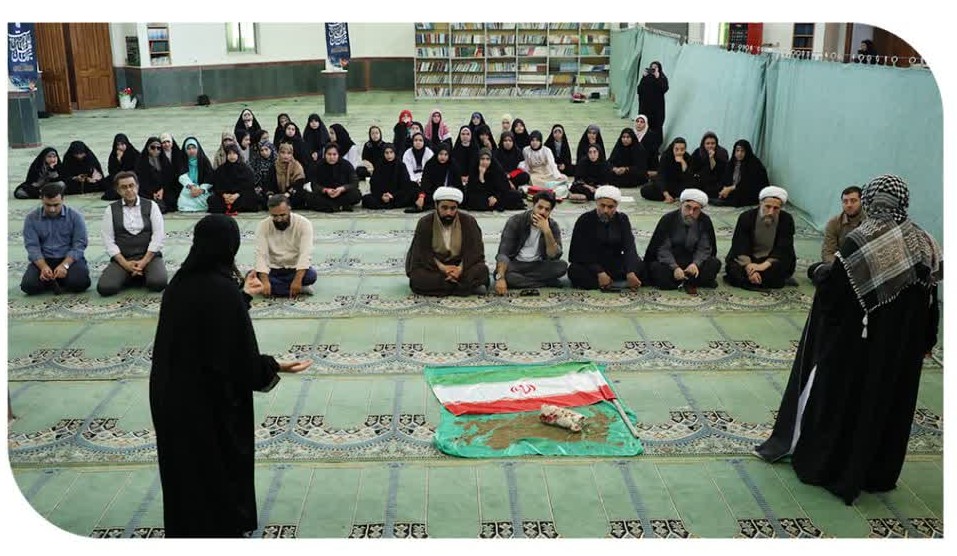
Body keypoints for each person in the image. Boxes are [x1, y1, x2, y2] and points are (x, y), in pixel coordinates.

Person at [753, 175, 941, 506]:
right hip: (903, 348)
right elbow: (931, 299)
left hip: (859, 347)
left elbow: (835, 296)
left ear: (869, 200)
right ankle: (877, 473)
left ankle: (834, 469)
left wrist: (819, 275)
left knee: (852, 401)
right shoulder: (925, 242)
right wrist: (927, 340)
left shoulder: (861, 241)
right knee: (888, 403)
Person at [150, 214, 311, 538]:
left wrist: (243, 296)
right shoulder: (222, 291)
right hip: (208, 403)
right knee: (218, 467)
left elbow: (208, 328)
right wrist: (274, 366)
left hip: (170, 397)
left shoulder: (179, 284)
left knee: (184, 470)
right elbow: (240, 361)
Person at [405, 186, 489, 297]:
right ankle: (465, 287)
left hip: (461, 266)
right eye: (444, 208)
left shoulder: (468, 222)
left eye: (453, 208)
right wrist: (444, 268)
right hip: (434, 267)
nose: (448, 212)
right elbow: (422, 254)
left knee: (482, 270)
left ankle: (448, 287)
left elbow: (476, 251)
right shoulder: (425, 222)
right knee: (417, 277)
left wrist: (459, 269)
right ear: (436, 206)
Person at [97, 171, 168, 296]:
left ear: (137, 186)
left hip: (149, 257)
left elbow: (158, 236)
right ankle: (133, 274)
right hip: (123, 258)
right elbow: (108, 241)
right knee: (106, 288)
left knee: (158, 283)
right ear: (118, 190)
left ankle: (136, 274)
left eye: (131, 186)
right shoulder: (111, 210)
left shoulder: (151, 206)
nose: (129, 190)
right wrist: (125, 264)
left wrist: (143, 262)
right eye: (124, 187)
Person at [644, 188, 721, 293]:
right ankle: (690, 281)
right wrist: (675, 267)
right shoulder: (668, 219)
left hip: (693, 262)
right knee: (656, 269)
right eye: (688, 207)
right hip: (670, 262)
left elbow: (704, 248)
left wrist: (695, 264)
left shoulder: (704, 221)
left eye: (696, 209)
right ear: (681, 205)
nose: (691, 212)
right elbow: (663, 248)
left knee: (714, 264)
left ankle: (683, 280)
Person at [567, 185, 643, 291]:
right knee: (574, 270)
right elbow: (576, 254)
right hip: (591, 264)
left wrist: (630, 272)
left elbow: (629, 247)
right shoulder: (585, 220)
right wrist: (599, 272)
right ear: (596, 203)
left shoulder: (622, 219)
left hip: (614, 263)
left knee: (640, 264)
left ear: (616, 207)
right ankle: (615, 283)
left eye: (610, 207)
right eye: (602, 206)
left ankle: (609, 283)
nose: (605, 210)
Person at [20, 183, 91, 295]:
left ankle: (55, 279)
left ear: (63, 200)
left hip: (69, 259)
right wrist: (43, 267)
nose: (52, 209)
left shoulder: (75, 216)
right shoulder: (31, 218)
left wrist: (64, 265)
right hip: (44, 259)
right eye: (48, 205)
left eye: (56, 205)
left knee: (80, 283)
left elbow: (79, 244)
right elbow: (32, 247)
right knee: (28, 286)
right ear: (41, 200)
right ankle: (54, 278)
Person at [493, 191, 568, 294]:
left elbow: (554, 256)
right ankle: (545, 282)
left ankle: (524, 281)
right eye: (540, 207)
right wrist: (500, 278)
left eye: (547, 209)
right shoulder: (516, 221)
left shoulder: (552, 226)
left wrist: (547, 231)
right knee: (502, 273)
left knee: (562, 267)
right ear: (533, 206)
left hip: (538, 265)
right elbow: (503, 253)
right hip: (516, 264)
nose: (542, 212)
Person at [724, 186, 796, 290]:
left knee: (779, 271)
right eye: (768, 206)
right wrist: (749, 267)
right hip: (748, 258)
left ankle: (751, 280)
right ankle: (756, 279)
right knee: (734, 270)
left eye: (776, 208)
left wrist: (762, 266)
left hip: (770, 261)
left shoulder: (786, 219)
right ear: (760, 203)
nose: (771, 212)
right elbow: (740, 244)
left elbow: (783, 247)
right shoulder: (746, 217)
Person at [253, 195, 318, 298]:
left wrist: (297, 280)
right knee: (252, 276)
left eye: (282, 215)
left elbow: (305, 254)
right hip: (273, 269)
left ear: (289, 210)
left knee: (311, 276)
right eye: (275, 216)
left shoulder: (304, 224)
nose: (279, 219)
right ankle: (300, 289)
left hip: (294, 268)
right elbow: (261, 255)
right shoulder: (263, 225)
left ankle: (278, 289)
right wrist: (265, 282)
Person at [304, 143, 361, 212]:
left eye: (334, 154)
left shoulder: (346, 165)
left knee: (356, 194)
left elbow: (354, 183)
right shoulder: (318, 165)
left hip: (341, 194)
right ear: (325, 154)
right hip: (325, 195)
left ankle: (332, 206)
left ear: (338, 155)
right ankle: (340, 206)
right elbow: (314, 184)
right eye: (329, 154)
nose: (331, 157)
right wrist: (325, 190)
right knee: (309, 197)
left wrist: (342, 189)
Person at [404, 144, 460, 214]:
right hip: (433, 193)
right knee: (415, 192)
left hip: (448, 192)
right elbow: (425, 182)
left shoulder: (453, 165)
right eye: (441, 154)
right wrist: (421, 196)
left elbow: (457, 184)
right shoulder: (430, 164)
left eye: (446, 155)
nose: (443, 157)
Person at [712, 139, 769, 207]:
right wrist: (724, 189)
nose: (739, 153)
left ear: (747, 152)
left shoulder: (754, 164)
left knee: (738, 196)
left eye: (742, 151)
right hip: (734, 189)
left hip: (751, 192)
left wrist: (730, 189)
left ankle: (725, 201)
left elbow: (749, 184)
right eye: (737, 150)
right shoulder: (732, 163)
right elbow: (726, 179)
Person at [209, 144, 260, 215]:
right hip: (225, 196)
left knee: (252, 198)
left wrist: (237, 195)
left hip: (239, 195)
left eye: (234, 153)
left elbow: (249, 185)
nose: (232, 156)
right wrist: (224, 195)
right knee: (213, 200)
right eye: (229, 153)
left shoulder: (245, 169)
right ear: (226, 155)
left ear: (238, 155)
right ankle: (232, 207)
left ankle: (231, 207)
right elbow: (217, 185)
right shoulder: (221, 169)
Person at [361, 143, 414, 210]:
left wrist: (392, 195)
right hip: (381, 196)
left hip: (396, 196)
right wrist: (381, 195)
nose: (389, 155)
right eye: (387, 153)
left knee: (410, 194)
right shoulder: (379, 165)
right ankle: (388, 204)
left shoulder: (401, 165)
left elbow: (405, 184)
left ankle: (386, 204)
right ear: (383, 154)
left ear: (394, 153)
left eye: (391, 152)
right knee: (366, 199)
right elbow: (374, 184)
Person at [641, 137, 693, 203]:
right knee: (645, 190)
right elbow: (661, 176)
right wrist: (666, 195)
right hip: (666, 185)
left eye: (682, 149)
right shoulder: (666, 156)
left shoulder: (687, 157)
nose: (679, 152)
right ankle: (672, 197)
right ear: (673, 148)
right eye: (676, 149)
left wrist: (683, 163)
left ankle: (676, 197)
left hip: (679, 185)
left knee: (692, 188)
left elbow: (688, 177)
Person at [820, 186, 864, 264]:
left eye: (853, 201)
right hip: (841, 264)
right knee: (815, 268)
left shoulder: (870, 221)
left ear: (862, 201)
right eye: (845, 201)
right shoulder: (834, 223)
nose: (849, 205)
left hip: (865, 264)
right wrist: (840, 267)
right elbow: (828, 253)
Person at [134, 137, 177, 213]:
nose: (156, 150)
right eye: (153, 147)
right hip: (147, 190)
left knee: (171, 200)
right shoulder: (141, 161)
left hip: (162, 190)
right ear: (148, 148)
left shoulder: (164, 161)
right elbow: (141, 180)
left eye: (158, 148)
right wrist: (152, 193)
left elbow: (170, 178)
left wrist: (162, 190)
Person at [175, 137, 215, 213]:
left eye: (194, 148)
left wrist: (201, 190)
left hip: (202, 189)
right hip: (188, 188)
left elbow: (209, 177)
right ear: (185, 150)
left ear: (198, 148)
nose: (191, 151)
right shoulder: (182, 161)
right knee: (184, 199)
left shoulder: (204, 161)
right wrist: (192, 187)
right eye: (189, 148)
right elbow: (182, 176)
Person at [690, 132, 729, 198]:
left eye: (713, 143)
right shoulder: (698, 152)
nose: (710, 146)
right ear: (703, 144)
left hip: (716, 182)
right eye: (707, 143)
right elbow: (693, 168)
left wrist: (711, 158)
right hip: (700, 181)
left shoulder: (722, 153)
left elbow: (718, 171)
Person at [102, 134, 140, 200]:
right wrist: (118, 160)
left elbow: (137, 170)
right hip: (118, 178)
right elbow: (111, 170)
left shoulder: (135, 154)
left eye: (122, 144)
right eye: (118, 145)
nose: (120, 147)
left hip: (132, 178)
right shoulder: (114, 155)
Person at [636, 60, 669, 131]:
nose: (653, 69)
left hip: (657, 108)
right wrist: (643, 77)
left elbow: (664, 89)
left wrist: (658, 78)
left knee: (657, 125)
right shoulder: (646, 78)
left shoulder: (662, 77)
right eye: (652, 67)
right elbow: (639, 90)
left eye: (655, 67)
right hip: (645, 107)